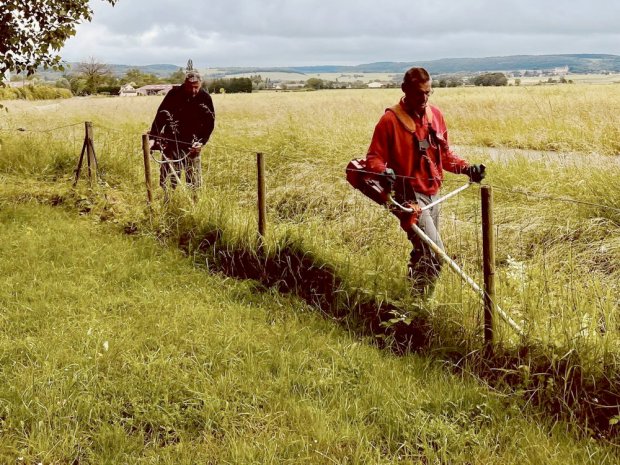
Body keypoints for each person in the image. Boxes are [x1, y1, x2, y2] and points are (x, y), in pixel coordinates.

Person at [365, 67, 485, 295]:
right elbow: (373, 158)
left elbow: (446, 155)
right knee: (435, 254)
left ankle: (407, 300)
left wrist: (467, 169)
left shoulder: (435, 116)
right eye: (419, 93)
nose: (424, 98)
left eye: (428, 93)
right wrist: (384, 171)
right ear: (405, 90)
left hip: (433, 193)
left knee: (422, 251)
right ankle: (418, 305)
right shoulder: (389, 120)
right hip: (408, 197)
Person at [149, 60, 215, 193]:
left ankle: (194, 207)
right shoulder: (173, 94)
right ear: (185, 84)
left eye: (196, 87)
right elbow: (161, 116)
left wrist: (201, 142)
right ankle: (168, 202)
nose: (193, 90)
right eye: (190, 87)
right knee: (168, 181)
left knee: (194, 183)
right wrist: (153, 137)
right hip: (171, 142)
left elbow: (209, 124)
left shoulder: (205, 97)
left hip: (193, 145)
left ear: (200, 84)